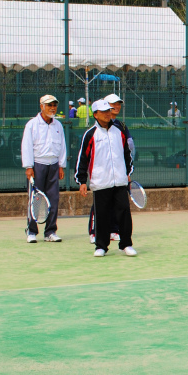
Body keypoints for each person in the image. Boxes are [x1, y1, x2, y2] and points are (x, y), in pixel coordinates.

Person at [76, 100, 136, 257]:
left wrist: (128, 173)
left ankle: (126, 244)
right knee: (101, 215)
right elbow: (83, 159)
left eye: (109, 110)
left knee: (124, 213)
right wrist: (82, 181)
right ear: (95, 114)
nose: (108, 114)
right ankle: (101, 246)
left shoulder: (119, 132)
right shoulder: (90, 134)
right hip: (100, 182)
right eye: (103, 111)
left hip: (120, 181)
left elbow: (127, 154)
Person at [88, 93, 135, 244]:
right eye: (113, 104)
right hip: (102, 177)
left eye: (118, 104)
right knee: (100, 206)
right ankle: (94, 232)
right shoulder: (94, 130)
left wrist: (127, 171)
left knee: (119, 205)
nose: (116, 107)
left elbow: (128, 147)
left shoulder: (121, 126)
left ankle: (114, 231)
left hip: (118, 174)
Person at [20, 94, 66, 243]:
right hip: (37, 166)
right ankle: (31, 231)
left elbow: (62, 146)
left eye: (54, 105)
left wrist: (61, 165)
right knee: (35, 199)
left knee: (54, 199)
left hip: (54, 166)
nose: (52, 108)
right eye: (49, 105)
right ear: (41, 106)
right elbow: (26, 146)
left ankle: (50, 232)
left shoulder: (58, 125)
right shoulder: (32, 125)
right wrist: (29, 167)